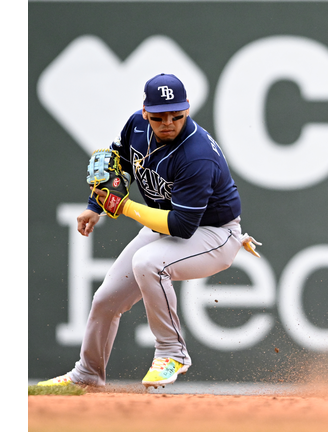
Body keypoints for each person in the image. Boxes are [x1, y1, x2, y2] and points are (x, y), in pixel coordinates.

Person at [38, 73, 261, 389]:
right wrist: (96, 205)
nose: (168, 122)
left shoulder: (197, 155)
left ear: (187, 110)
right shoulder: (136, 126)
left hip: (214, 233)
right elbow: (118, 168)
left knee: (148, 263)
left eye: (177, 115)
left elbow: (182, 226)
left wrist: (125, 207)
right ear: (145, 112)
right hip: (164, 224)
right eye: (159, 116)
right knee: (106, 300)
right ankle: (87, 376)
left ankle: (173, 353)